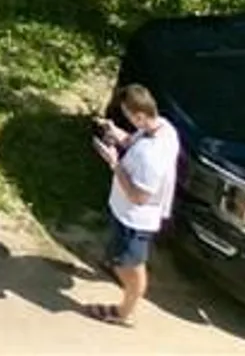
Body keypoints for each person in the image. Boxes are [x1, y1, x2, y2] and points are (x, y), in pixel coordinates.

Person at [93, 82, 181, 326]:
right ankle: (117, 263)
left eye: (129, 115)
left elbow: (139, 197)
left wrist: (115, 163)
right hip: (123, 213)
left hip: (134, 220)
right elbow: (133, 139)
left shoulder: (153, 155)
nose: (128, 120)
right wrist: (114, 132)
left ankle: (125, 312)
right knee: (120, 257)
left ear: (140, 115)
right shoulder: (162, 126)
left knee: (131, 267)